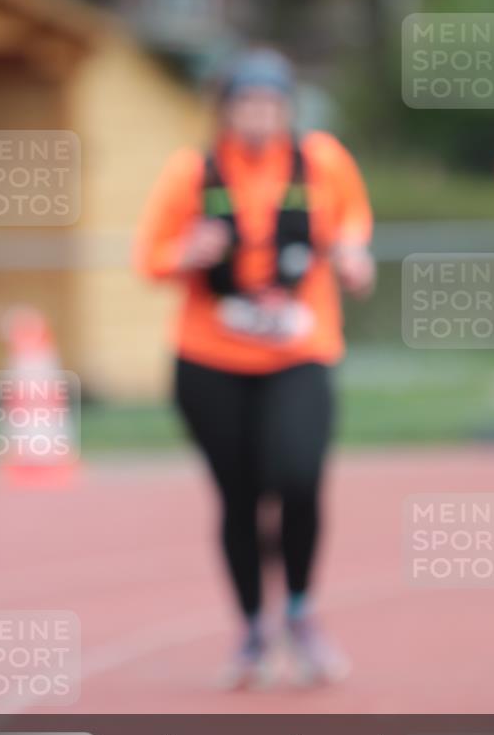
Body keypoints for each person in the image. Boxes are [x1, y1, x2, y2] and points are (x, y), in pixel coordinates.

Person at [134, 48, 374, 686]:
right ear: (226, 110)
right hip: (211, 358)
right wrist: (188, 250)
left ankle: (299, 608)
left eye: (272, 103)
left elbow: (352, 219)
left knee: (296, 477)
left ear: (288, 109)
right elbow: (149, 257)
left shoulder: (321, 161)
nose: (260, 115)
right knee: (239, 496)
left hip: (299, 351)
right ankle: (250, 630)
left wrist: (352, 255)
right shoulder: (193, 172)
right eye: (247, 103)